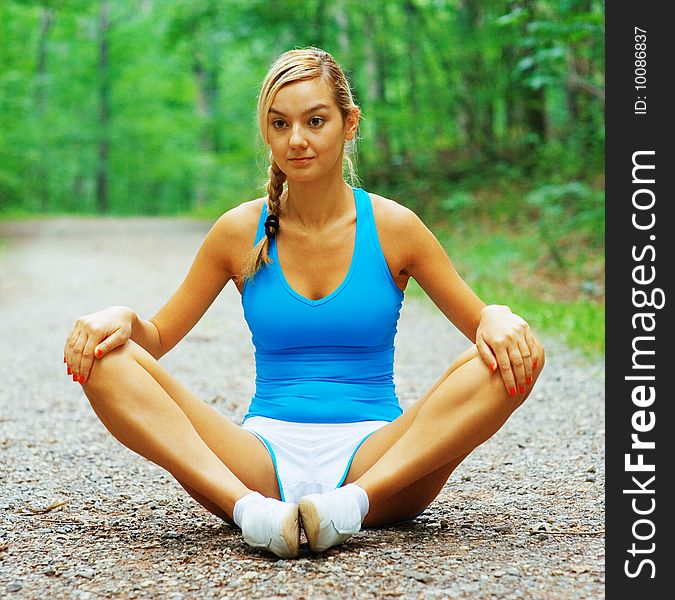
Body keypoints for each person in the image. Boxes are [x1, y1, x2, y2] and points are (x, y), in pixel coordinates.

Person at [63, 47, 544, 560]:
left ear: (349, 123)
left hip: (377, 460)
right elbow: (155, 341)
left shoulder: (395, 227)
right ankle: (254, 515)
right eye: (280, 124)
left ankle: (348, 508)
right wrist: (123, 318)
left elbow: (481, 327)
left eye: (316, 121)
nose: (297, 140)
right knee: (104, 359)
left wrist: (496, 315)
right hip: (258, 463)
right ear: (266, 133)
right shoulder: (236, 232)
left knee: (517, 356)